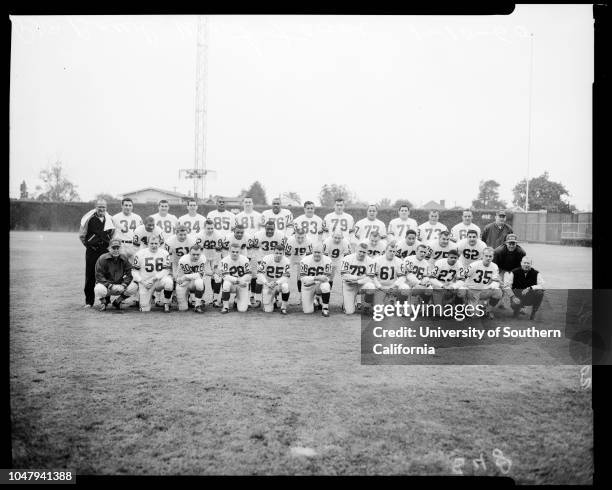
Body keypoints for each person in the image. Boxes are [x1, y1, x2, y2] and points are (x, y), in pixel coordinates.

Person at [79, 199, 115, 308]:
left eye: (103, 207)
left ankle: (106, 300)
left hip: (105, 251)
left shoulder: (110, 219)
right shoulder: (89, 219)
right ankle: (89, 302)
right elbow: (82, 235)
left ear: (106, 208)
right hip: (92, 252)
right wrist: (90, 246)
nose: (102, 209)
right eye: (99, 207)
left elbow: (112, 234)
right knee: (90, 276)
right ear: (96, 207)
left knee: (107, 275)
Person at [131, 235, 174, 312]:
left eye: (156, 243)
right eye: (152, 243)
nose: (154, 245)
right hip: (146, 282)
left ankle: (166, 304)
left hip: (159, 280)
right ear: (148, 243)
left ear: (159, 243)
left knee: (169, 282)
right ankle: (146, 300)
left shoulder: (164, 253)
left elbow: (166, 270)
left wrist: (155, 278)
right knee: (145, 309)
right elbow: (134, 271)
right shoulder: (140, 254)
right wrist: (142, 282)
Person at [93, 238, 138, 310]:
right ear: (109, 248)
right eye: (113, 248)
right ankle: (103, 303)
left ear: (120, 248)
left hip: (120, 286)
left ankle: (117, 302)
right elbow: (99, 276)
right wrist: (110, 285)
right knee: (98, 288)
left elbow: (130, 274)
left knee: (134, 286)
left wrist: (124, 284)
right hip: (107, 287)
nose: (116, 250)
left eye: (118, 248)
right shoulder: (102, 258)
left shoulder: (124, 258)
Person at [250, 220, 286, 307]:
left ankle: (276, 298)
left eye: (272, 229)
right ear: (265, 228)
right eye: (268, 229)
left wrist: (280, 260)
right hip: (262, 259)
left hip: (275, 259)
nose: (270, 231)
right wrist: (259, 260)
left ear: (275, 229)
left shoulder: (280, 235)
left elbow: (282, 249)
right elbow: (254, 249)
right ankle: (257, 299)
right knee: (259, 279)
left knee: (275, 278)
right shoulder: (258, 235)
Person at [461, 247, 502, 319]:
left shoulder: (494, 266)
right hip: (472, 290)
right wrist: (467, 289)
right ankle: (465, 305)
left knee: (498, 292)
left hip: (483, 290)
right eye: (486, 256)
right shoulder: (474, 265)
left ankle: (488, 310)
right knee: (475, 316)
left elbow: (496, 281)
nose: (488, 258)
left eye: (490, 256)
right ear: (482, 256)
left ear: (493, 257)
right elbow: (461, 277)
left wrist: (491, 286)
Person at [340, 242, 376, 314]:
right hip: (349, 286)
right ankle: (346, 303)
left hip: (361, 285)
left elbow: (370, 278)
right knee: (349, 312)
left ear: (367, 252)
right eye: (360, 251)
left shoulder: (370, 261)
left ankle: (367, 306)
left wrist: (357, 281)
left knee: (371, 287)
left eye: (364, 252)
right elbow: (344, 275)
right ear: (356, 250)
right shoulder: (347, 258)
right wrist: (359, 277)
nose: (362, 254)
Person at [194, 219, 224, 307]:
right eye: (208, 228)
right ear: (204, 228)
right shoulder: (200, 236)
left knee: (217, 277)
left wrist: (215, 266)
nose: (210, 230)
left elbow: (219, 251)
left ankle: (215, 299)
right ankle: (202, 299)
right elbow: (199, 251)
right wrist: (202, 262)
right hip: (204, 258)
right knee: (201, 277)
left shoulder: (218, 235)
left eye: (212, 228)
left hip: (215, 257)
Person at [300, 243, 333, 316]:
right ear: (312, 251)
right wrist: (317, 277)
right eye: (315, 252)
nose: (317, 254)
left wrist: (314, 282)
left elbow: (326, 278)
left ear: (323, 252)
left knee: (326, 286)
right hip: (307, 286)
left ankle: (325, 308)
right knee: (307, 311)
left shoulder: (328, 260)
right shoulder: (305, 260)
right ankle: (315, 300)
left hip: (317, 284)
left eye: (319, 252)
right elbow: (303, 278)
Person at [257, 245, 291, 314]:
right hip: (268, 284)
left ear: (283, 253)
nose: (278, 255)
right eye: (276, 253)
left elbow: (286, 277)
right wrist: (266, 283)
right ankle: (273, 299)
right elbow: (260, 273)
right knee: (268, 310)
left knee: (285, 286)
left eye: (280, 253)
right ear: (273, 252)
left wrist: (276, 283)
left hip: (279, 284)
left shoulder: (287, 261)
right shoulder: (266, 258)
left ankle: (283, 307)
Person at [219, 242, 251, 313]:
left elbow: (249, 275)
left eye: (237, 252)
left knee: (242, 310)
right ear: (229, 251)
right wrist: (238, 280)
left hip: (242, 284)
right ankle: (225, 306)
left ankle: (237, 299)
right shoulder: (225, 260)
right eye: (233, 252)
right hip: (232, 283)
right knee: (226, 284)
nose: (235, 253)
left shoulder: (245, 260)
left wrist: (241, 280)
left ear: (240, 252)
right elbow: (225, 276)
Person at [176, 245, 207, 313]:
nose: (196, 256)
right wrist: (185, 277)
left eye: (197, 254)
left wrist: (186, 277)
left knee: (200, 282)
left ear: (200, 253)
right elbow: (184, 276)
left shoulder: (203, 258)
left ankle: (197, 305)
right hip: (183, 282)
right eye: (193, 254)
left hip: (190, 280)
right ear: (189, 253)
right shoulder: (183, 260)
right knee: (183, 309)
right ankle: (189, 298)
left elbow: (200, 274)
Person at [284, 228, 313, 300]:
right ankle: (284, 294)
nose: (300, 240)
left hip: (302, 258)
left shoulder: (309, 241)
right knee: (286, 275)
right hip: (291, 258)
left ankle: (301, 296)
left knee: (301, 277)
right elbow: (287, 255)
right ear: (294, 236)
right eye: (298, 237)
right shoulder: (290, 240)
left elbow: (309, 255)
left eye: (302, 237)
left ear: (305, 236)